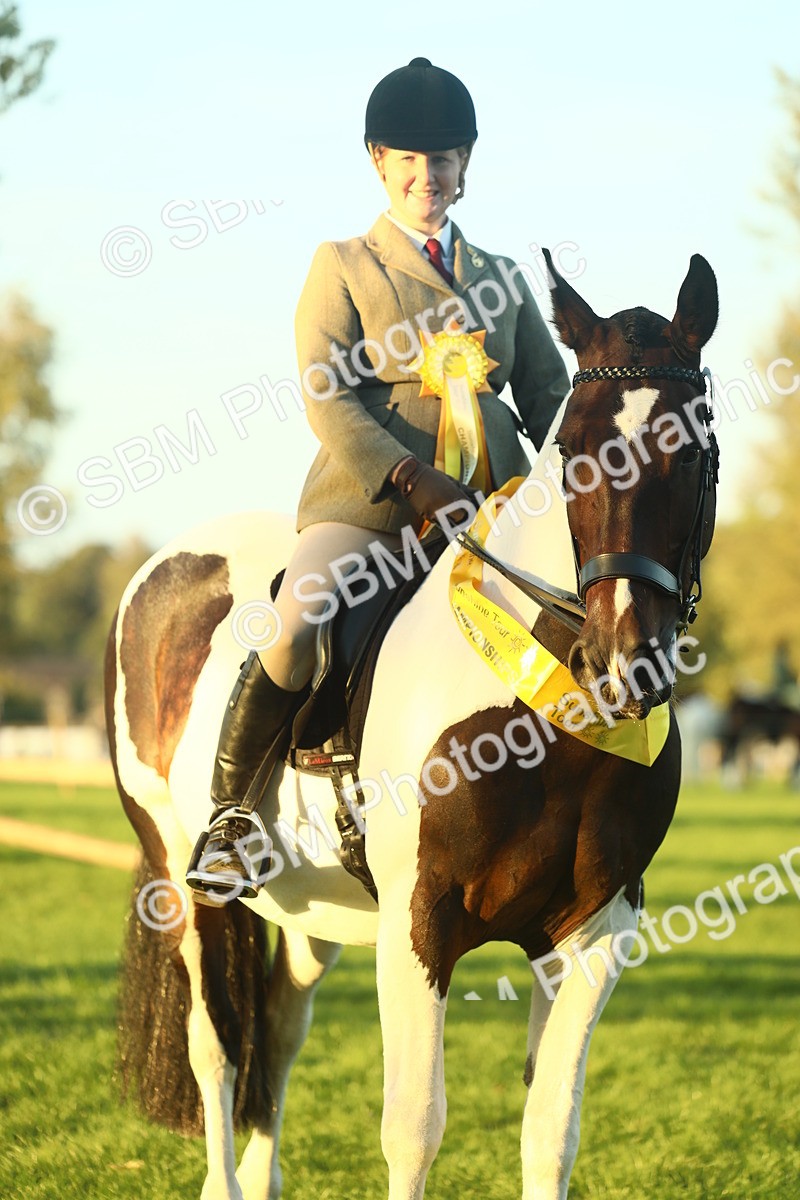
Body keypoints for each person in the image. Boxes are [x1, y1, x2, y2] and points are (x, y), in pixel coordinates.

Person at [186, 57, 570, 900]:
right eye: (409, 161)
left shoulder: (502, 278)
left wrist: (575, 499)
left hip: (489, 513)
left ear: (464, 168)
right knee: (295, 619)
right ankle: (232, 817)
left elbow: (551, 400)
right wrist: (409, 475)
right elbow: (325, 393)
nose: (426, 176)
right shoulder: (343, 263)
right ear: (379, 163)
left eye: (442, 161)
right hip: (367, 506)